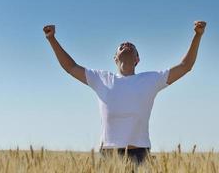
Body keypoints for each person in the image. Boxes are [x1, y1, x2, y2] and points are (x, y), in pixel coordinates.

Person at [43, 21, 206, 165]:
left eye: (132, 46)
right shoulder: (101, 78)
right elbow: (71, 67)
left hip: (140, 155)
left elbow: (185, 66)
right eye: (121, 45)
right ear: (115, 58)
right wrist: (52, 39)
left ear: (137, 59)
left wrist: (197, 36)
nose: (126, 43)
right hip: (108, 156)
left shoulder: (151, 79)